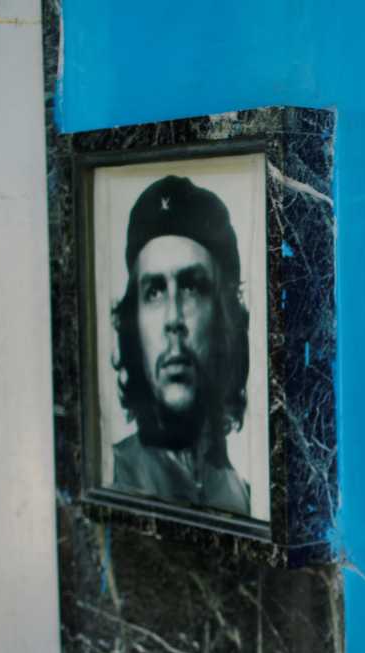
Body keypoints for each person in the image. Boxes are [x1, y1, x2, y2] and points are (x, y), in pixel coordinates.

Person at [110, 174, 252, 516]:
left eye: (191, 287)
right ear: (133, 321)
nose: (173, 319)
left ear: (224, 317)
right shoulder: (114, 477)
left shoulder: (240, 492)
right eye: (154, 292)